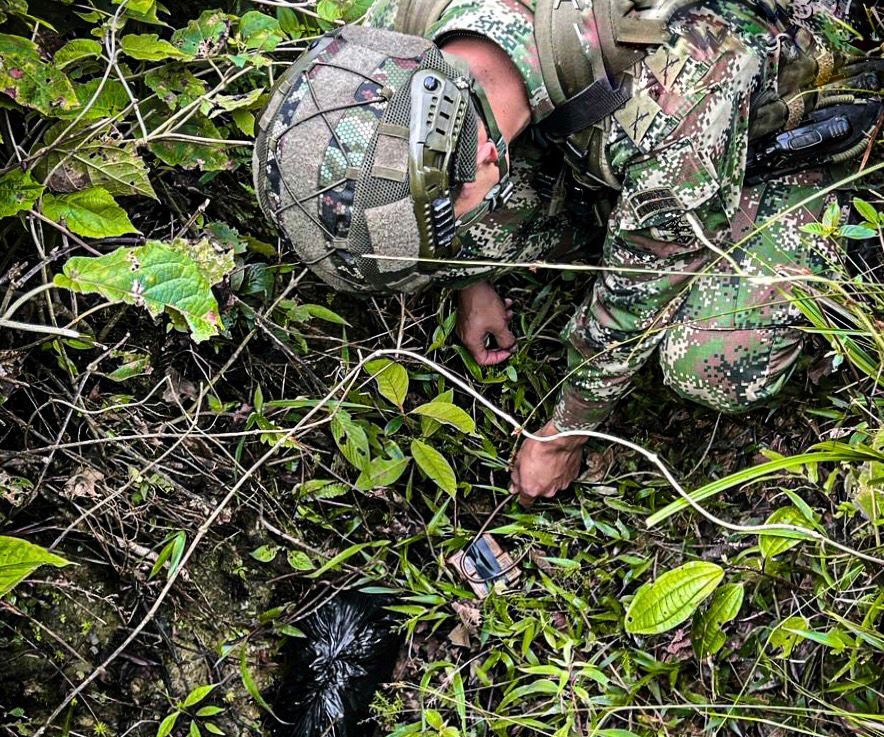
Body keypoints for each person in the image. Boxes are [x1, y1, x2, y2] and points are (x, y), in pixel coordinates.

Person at [253, 0, 882, 505]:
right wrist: (470, 280)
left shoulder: (669, 106)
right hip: (615, 134)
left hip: (776, 120)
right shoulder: (391, 43)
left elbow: (635, 297)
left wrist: (564, 433)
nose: (455, 241)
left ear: (485, 158)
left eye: (447, 222)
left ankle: (834, 201)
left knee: (714, 363)